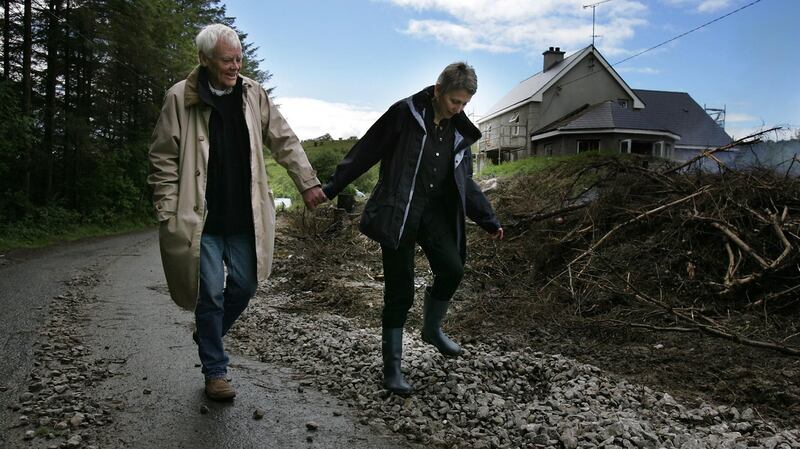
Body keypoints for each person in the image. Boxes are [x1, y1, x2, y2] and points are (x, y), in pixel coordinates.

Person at [148, 24, 325, 401]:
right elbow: (163, 157)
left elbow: (285, 139)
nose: (235, 66)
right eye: (227, 60)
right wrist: (167, 209)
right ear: (205, 60)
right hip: (201, 219)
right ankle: (216, 371)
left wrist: (307, 182)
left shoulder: (252, 94)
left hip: (245, 217)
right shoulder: (180, 97)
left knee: (244, 287)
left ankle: (208, 331)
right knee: (209, 294)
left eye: (239, 58)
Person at [319, 62, 503, 395]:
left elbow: (466, 183)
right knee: (400, 292)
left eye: (463, 104)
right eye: (453, 102)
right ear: (438, 90)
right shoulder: (404, 114)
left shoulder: (460, 133)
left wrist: (488, 219)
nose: (457, 109)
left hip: (435, 216)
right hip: (398, 213)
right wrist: (331, 188)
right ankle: (392, 368)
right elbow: (365, 151)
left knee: (452, 268)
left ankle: (431, 330)